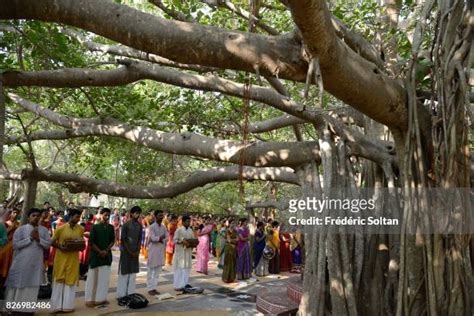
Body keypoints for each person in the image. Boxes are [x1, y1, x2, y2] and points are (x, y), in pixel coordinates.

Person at [5, 208, 52, 313]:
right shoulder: (21, 230)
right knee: (19, 285)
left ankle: (28, 310)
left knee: (32, 286)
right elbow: (15, 245)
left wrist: (39, 239)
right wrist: (30, 238)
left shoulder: (43, 230)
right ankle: (15, 309)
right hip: (22, 263)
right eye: (33, 215)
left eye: (38, 216)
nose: (36, 217)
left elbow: (48, 245)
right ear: (28, 217)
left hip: (35, 264)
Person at [51, 208, 84, 313]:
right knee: (59, 281)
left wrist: (80, 246)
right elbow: (52, 242)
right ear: (70, 217)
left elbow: (81, 242)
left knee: (70, 282)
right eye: (76, 217)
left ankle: (68, 306)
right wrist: (60, 246)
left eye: (79, 217)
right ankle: (56, 307)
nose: (78, 219)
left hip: (73, 259)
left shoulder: (80, 229)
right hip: (61, 258)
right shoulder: (60, 228)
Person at [85, 208, 115, 307]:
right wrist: (100, 251)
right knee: (93, 278)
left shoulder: (111, 227)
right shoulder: (95, 227)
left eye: (108, 215)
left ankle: (101, 298)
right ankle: (90, 299)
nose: (107, 217)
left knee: (104, 278)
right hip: (96, 256)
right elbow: (91, 242)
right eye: (105, 215)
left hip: (106, 256)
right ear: (100, 215)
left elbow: (112, 241)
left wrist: (106, 251)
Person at [117, 206, 142, 299]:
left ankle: (130, 294)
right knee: (124, 273)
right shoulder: (126, 225)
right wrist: (130, 251)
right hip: (126, 252)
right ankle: (121, 295)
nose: (137, 214)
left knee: (133, 273)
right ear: (131, 213)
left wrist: (138, 251)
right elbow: (123, 239)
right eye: (135, 212)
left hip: (135, 252)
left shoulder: (140, 225)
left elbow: (140, 239)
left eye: (138, 213)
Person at [146, 210, 168, 296]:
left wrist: (159, 239)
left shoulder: (163, 227)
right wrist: (160, 238)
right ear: (155, 216)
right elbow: (153, 238)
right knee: (150, 270)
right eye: (159, 215)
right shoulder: (151, 227)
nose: (161, 217)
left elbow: (167, 237)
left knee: (158, 271)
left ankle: (154, 287)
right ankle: (149, 288)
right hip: (153, 250)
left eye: (162, 215)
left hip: (160, 249)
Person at [172, 215, 194, 290]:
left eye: (189, 221)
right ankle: (177, 286)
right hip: (180, 252)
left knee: (187, 268)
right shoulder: (179, 230)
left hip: (188, 252)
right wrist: (182, 241)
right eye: (187, 221)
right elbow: (174, 240)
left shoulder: (190, 230)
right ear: (183, 222)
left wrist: (193, 243)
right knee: (179, 269)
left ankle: (185, 284)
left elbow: (192, 240)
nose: (189, 223)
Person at [0, 209, 19, 287]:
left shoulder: (18, 224)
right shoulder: (6, 223)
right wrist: (11, 228)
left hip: (11, 248)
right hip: (5, 249)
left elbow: (4, 239)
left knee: (9, 265)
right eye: (14, 212)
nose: (15, 214)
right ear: (10, 214)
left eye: (17, 213)